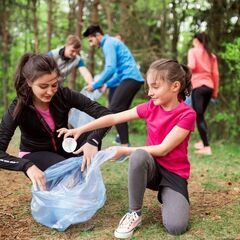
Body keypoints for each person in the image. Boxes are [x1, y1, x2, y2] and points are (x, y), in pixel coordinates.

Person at [57, 59, 196, 238]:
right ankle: (134, 213)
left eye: (155, 87)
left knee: (176, 228)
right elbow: (114, 118)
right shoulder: (151, 107)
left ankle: (168, 195)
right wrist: (80, 129)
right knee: (139, 155)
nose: (150, 93)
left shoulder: (187, 115)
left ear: (175, 86)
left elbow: (163, 149)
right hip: (150, 167)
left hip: (173, 175)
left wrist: (123, 151)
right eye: (148, 87)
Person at [0, 53, 111, 191]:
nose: (50, 91)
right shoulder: (18, 108)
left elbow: (106, 115)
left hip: (64, 146)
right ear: (29, 82)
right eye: (43, 86)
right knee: (67, 176)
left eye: (54, 84)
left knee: (91, 136)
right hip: (35, 153)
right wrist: (26, 165)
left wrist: (93, 141)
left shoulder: (63, 95)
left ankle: (80, 180)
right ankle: (72, 181)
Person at [82, 25, 144, 153]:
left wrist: (95, 84)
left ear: (97, 35)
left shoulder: (108, 43)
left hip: (131, 78)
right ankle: (125, 146)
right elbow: (118, 72)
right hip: (131, 78)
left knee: (115, 109)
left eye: (91, 40)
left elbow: (110, 68)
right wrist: (107, 84)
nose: (91, 44)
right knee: (120, 112)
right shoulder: (112, 42)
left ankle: (125, 147)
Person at [188, 32, 219, 155]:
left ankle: (206, 147)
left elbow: (192, 65)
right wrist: (215, 92)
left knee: (199, 116)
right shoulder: (211, 55)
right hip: (209, 88)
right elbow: (215, 74)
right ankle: (202, 141)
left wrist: (181, 68)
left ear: (196, 40)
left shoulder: (193, 51)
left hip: (198, 87)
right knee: (201, 114)